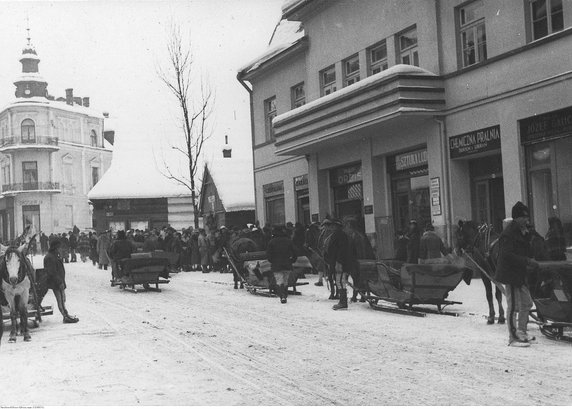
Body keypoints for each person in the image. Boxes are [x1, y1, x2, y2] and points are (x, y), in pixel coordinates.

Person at [495, 202, 539, 347]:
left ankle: (522, 331)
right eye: (524, 217)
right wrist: (526, 261)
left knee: (527, 302)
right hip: (510, 275)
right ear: (517, 218)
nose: (527, 220)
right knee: (513, 306)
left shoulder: (520, 231)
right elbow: (507, 255)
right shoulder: (509, 234)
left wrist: (527, 237)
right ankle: (513, 338)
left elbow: (524, 250)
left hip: (519, 274)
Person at [43, 239, 79, 324]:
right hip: (56, 282)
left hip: (58, 281)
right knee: (60, 300)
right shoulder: (50, 257)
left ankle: (66, 315)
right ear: (55, 248)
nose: (61, 249)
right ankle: (65, 316)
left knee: (62, 299)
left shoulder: (54, 255)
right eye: (59, 247)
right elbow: (52, 272)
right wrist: (59, 282)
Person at [323, 218, 352, 310]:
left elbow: (341, 250)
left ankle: (343, 302)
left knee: (340, 281)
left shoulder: (339, 235)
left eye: (333, 226)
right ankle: (342, 301)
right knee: (340, 281)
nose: (331, 227)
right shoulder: (337, 235)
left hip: (339, 263)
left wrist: (338, 262)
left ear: (337, 227)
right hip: (337, 262)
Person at [266, 225, 297, 304]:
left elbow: (269, 255)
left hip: (276, 264)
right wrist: (292, 260)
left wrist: (272, 261)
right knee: (286, 280)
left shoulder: (271, 242)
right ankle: (285, 294)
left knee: (279, 281)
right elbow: (295, 252)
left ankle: (282, 296)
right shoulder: (288, 240)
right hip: (287, 263)